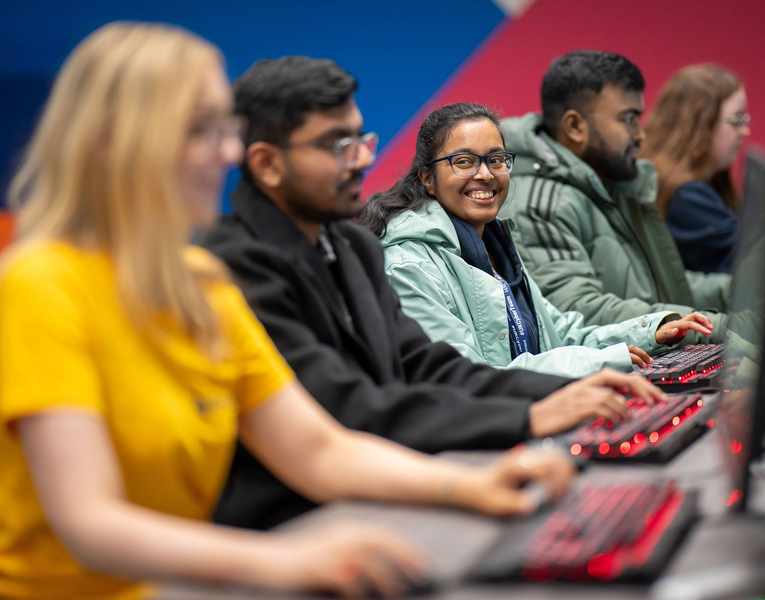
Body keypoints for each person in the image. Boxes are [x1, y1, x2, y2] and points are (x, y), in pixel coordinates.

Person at [0, 23, 581, 600]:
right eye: (201, 130)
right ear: (119, 144)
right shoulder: (40, 284)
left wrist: (473, 486)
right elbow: (88, 523)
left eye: (224, 127)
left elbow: (317, 448)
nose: (230, 152)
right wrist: (284, 560)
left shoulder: (201, 285)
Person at [201, 56, 664, 531]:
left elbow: (429, 365)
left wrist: (554, 395)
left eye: (360, 139)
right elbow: (347, 407)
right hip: (291, 525)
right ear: (267, 163)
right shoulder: (232, 268)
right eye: (337, 144)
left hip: (371, 495)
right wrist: (527, 418)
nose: (362, 158)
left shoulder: (351, 244)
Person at [360, 102, 713, 379]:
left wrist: (652, 332)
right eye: (464, 161)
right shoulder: (407, 266)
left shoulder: (494, 245)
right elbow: (467, 378)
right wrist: (603, 362)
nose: (485, 174)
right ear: (428, 179)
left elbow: (558, 334)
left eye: (496, 160)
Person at [499, 50, 730, 339]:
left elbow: (660, 287)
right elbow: (579, 310)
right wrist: (719, 327)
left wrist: (741, 291)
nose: (640, 135)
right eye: (628, 119)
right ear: (575, 127)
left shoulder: (608, 182)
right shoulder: (541, 203)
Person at [642, 64, 750, 273]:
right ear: (700, 122)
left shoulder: (691, 186)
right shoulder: (686, 196)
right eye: (737, 119)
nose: (745, 130)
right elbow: (751, 270)